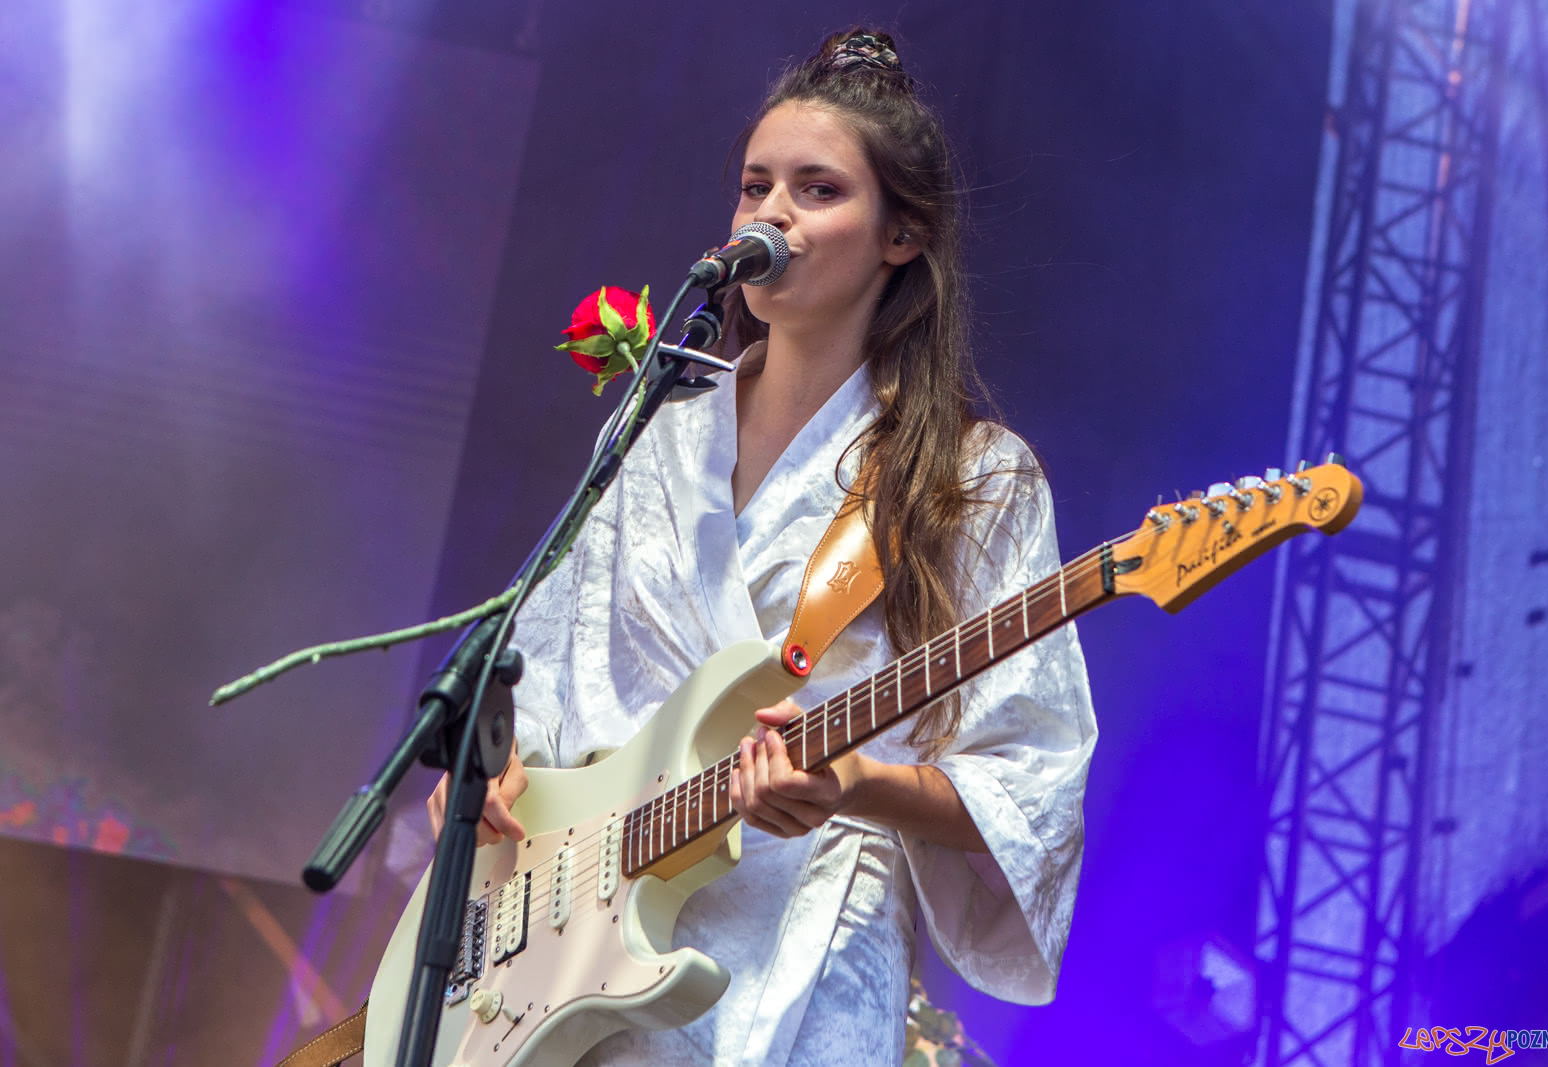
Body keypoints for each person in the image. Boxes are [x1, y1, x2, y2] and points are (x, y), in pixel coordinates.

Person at [427, 27, 1097, 1064]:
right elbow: (550, 666)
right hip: (576, 947)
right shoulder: (655, 429)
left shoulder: (976, 477)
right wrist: (504, 769)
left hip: (805, 955)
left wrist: (855, 784)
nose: (770, 214)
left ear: (900, 236)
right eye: (754, 186)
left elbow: (1028, 780)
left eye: (817, 189)